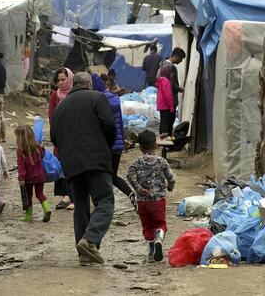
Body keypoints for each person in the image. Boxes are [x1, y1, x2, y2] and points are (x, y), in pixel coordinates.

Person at [50, 72, 116, 265]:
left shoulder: (60, 107)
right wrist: (105, 147)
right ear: (88, 83)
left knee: (80, 205)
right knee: (105, 200)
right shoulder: (97, 97)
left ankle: (84, 255)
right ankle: (91, 240)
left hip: (71, 164)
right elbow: (109, 125)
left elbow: (54, 137)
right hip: (96, 159)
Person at [126, 130, 176, 262]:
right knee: (160, 223)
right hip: (158, 200)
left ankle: (151, 251)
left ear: (140, 147)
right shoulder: (161, 161)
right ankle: (159, 238)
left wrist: (138, 189)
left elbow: (129, 175)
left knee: (147, 225)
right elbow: (171, 178)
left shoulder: (136, 162)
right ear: (156, 145)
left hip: (142, 202)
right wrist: (170, 187)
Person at [91, 73, 135, 208]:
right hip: (117, 145)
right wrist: (122, 143)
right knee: (112, 175)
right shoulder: (114, 99)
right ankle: (131, 194)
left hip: (104, 145)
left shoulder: (97, 101)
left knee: (98, 175)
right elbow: (120, 124)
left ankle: (102, 204)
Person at [47, 67, 74, 210]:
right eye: (58, 80)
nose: (61, 83)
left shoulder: (76, 94)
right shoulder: (54, 96)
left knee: (73, 166)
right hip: (60, 137)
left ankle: (73, 196)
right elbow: (51, 116)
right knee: (61, 166)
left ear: (70, 78)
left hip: (74, 137)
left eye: (63, 79)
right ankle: (65, 195)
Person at [15, 125, 51, 223]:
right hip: (40, 176)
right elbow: (43, 154)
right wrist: (42, 147)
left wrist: (21, 178)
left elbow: (21, 166)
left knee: (28, 196)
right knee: (40, 194)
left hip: (28, 178)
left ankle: (28, 216)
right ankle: (47, 208)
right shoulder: (37, 147)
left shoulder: (21, 151)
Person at [159, 47, 186, 117]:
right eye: (181, 59)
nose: (181, 61)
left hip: (164, 101)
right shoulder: (169, 67)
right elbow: (170, 84)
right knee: (167, 123)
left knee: (166, 123)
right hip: (169, 101)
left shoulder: (163, 64)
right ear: (176, 56)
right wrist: (181, 89)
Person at [156, 72, 175, 140]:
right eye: (170, 72)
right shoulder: (166, 81)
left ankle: (161, 139)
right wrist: (171, 106)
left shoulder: (161, 80)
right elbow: (168, 95)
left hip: (161, 104)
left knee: (163, 122)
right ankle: (165, 142)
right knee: (166, 123)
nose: (172, 74)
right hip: (165, 105)